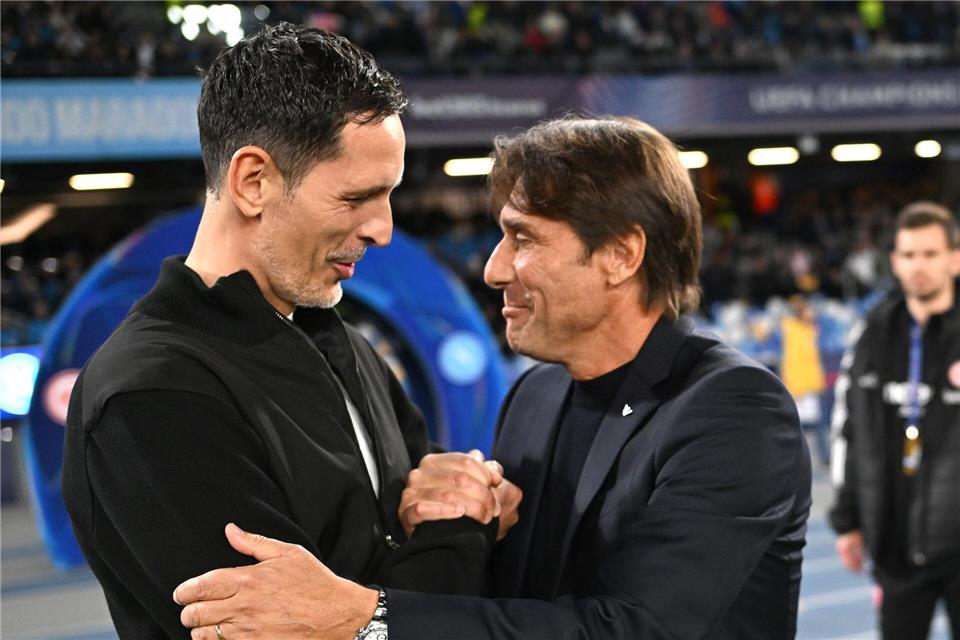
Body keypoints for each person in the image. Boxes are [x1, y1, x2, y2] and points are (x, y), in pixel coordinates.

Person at [174, 116, 812, 640]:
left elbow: (638, 629)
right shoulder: (535, 395)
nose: (494, 270)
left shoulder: (735, 409)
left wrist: (366, 616)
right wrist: (459, 522)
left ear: (621, 255)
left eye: (522, 239)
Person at [61, 23, 521, 639]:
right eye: (357, 197)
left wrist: (456, 500)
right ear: (253, 181)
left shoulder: (344, 346)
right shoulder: (152, 395)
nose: (382, 230)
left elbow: (412, 515)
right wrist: (460, 528)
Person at [830, 201, 960, 640]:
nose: (918, 266)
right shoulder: (871, 334)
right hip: (895, 540)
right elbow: (848, 428)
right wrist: (847, 519)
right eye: (908, 255)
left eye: (930, 253)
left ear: (954, 258)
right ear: (894, 262)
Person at [780, 295, 830, 467]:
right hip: (797, 386)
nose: (812, 313)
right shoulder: (790, 329)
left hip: (811, 384)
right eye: (808, 310)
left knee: (818, 425)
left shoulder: (811, 331)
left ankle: (823, 457)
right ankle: (794, 459)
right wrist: (792, 385)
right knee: (797, 426)